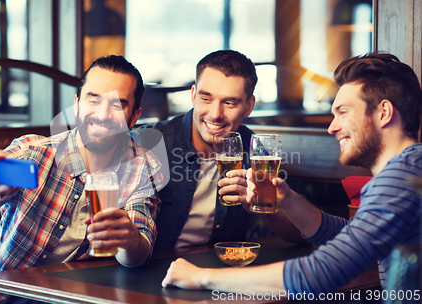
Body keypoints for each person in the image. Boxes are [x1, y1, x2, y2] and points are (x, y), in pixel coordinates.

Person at [161, 52, 422, 295]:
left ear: (384, 113)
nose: (332, 127)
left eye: (343, 112)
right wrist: (287, 199)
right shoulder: (411, 169)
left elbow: (320, 272)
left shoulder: (400, 179)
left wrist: (201, 277)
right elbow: (347, 234)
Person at [0, 55, 166, 303]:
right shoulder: (35, 155)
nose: (103, 114)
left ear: (134, 116)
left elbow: (139, 254)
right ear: (77, 103)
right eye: (94, 99)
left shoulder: (141, 167)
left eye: (118, 105)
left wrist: (131, 239)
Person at [151, 50, 304, 251]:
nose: (215, 114)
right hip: (155, 268)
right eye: (206, 99)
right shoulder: (154, 143)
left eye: (229, 103)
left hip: (222, 269)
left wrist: (260, 205)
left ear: (248, 107)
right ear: (193, 95)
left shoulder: (255, 151)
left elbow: (299, 234)